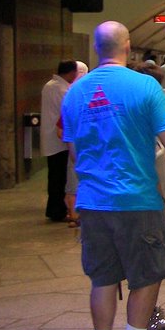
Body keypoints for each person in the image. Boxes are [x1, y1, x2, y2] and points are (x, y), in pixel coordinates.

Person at [61, 21, 165, 330]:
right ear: (128, 46)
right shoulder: (144, 86)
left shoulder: (75, 92)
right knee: (146, 276)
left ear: (97, 49)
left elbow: (74, 153)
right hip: (137, 200)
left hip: (93, 202)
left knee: (102, 279)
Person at [41, 60, 79, 222]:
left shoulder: (49, 85)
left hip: (52, 138)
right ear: (71, 72)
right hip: (59, 140)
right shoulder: (62, 89)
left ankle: (55, 209)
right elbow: (69, 113)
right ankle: (57, 210)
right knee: (60, 178)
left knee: (55, 176)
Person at [62, 61, 89, 226]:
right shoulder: (89, 91)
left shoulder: (70, 93)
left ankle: (73, 214)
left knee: (73, 180)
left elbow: (65, 127)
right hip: (88, 145)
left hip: (77, 144)